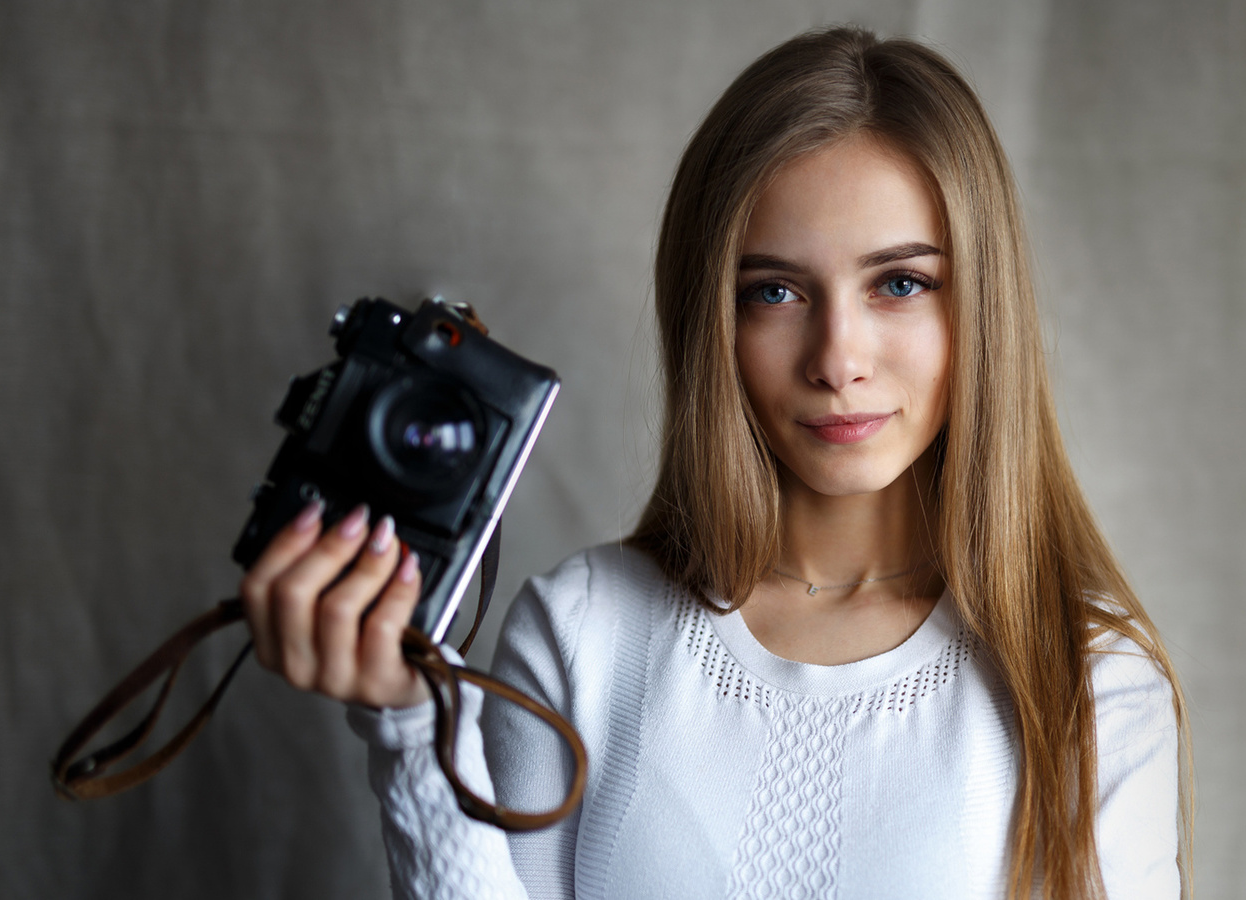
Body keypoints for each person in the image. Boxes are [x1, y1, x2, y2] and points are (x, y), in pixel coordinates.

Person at [238, 26, 1190, 900]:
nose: (838, 359)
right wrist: (410, 725)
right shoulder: (581, 635)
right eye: (775, 291)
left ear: (981, 306)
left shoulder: (1089, 681)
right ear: (709, 322)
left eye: (901, 283)